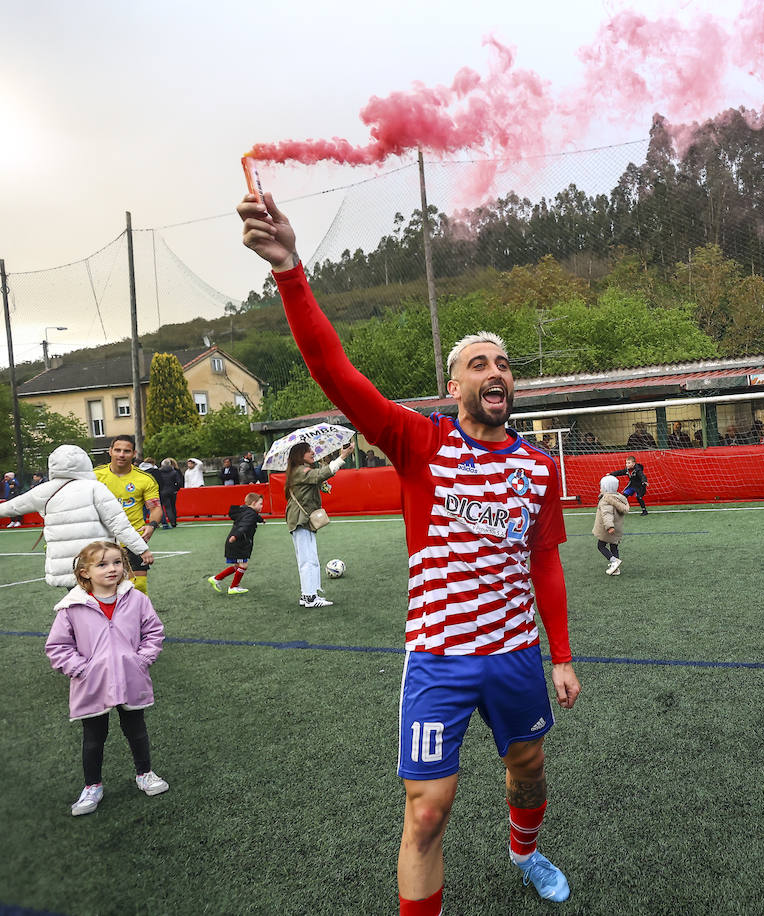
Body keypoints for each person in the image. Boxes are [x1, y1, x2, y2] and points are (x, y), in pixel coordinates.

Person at [240, 192, 581, 913]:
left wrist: (562, 653)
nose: (496, 373)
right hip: (438, 659)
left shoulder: (540, 467)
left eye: (505, 365)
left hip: (517, 655)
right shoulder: (418, 442)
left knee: (529, 767)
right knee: (427, 813)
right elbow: (337, 373)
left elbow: (545, 558)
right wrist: (291, 270)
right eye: (479, 364)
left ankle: (525, 850)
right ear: (454, 384)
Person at [45, 540, 169, 816]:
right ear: (85, 572)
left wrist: (142, 660)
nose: (111, 569)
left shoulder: (137, 599)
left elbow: (153, 632)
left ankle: (144, 773)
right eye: (102, 564)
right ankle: (92, 786)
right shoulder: (72, 606)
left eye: (116, 562)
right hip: (92, 684)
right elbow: (58, 647)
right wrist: (82, 669)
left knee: (136, 730)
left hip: (130, 678)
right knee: (93, 736)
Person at [0, 445, 154, 587]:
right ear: (85, 463)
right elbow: (119, 524)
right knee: (104, 606)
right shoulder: (96, 488)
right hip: (98, 563)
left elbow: (11, 507)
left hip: (66, 567)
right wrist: (141, 549)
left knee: (78, 608)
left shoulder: (42, 490)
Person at [285, 440, 352, 608]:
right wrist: (342, 457)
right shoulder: (300, 471)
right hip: (301, 520)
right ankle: (309, 597)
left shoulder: (299, 470)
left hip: (302, 519)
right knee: (308, 560)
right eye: (309, 451)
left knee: (309, 559)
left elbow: (318, 477)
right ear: (300, 455)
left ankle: (308, 595)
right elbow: (320, 474)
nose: (313, 453)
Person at [94, 435, 162, 595]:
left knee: (138, 588)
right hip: (102, 540)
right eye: (117, 450)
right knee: (105, 589)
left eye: (126, 451)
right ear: (110, 451)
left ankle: (138, 618)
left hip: (133, 539)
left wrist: (152, 525)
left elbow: (155, 508)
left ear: (134, 453)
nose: (121, 454)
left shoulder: (145, 479)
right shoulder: (94, 476)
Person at [208, 492, 266, 596]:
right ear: (253, 503)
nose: (262, 506)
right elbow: (244, 525)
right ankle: (233, 587)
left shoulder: (246, 511)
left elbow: (252, 517)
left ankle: (216, 579)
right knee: (243, 565)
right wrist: (235, 536)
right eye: (260, 504)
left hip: (236, 543)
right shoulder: (251, 515)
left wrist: (261, 519)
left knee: (237, 565)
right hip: (238, 543)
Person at [593, 474, 630, 576]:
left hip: (608, 529)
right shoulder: (618, 498)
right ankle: (616, 569)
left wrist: (609, 526)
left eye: (601, 486)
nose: (600, 489)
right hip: (617, 528)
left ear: (605, 488)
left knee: (601, 546)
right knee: (614, 547)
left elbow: (607, 514)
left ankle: (614, 561)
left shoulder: (606, 500)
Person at [157, 457, 184, 528]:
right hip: (172, 491)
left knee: (167, 507)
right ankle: (173, 522)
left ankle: (169, 521)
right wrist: (176, 489)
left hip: (163, 491)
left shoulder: (159, 472)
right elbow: (178, 482)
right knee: (173, 506)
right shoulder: (174, 472)